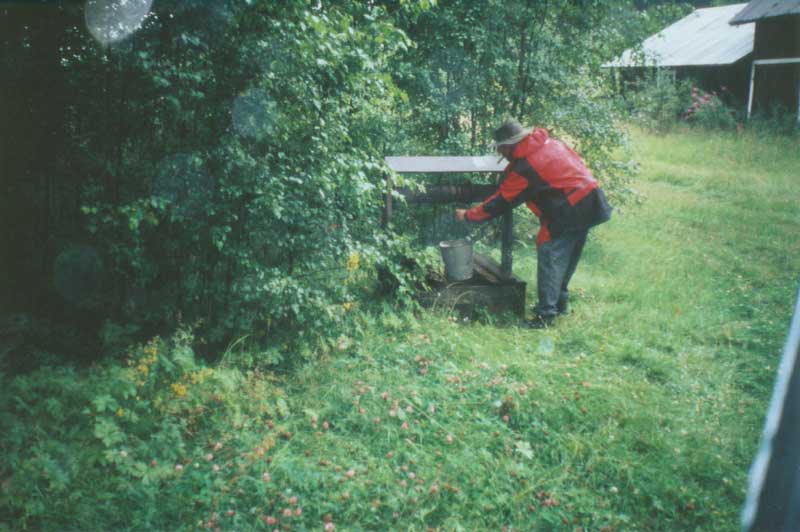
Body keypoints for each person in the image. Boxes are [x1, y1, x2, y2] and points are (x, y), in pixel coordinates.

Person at [455, 119, 612, 328]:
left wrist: (468, 215)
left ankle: (545, 316)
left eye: (500, 149)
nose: (500, 154)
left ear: (509, 146)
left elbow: (501, 202)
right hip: (591, 201)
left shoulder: (527, 166)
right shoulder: (550, 144)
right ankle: (560, 304)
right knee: (567, 255)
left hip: (569, 209)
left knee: (549, 254)